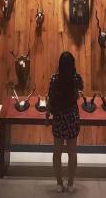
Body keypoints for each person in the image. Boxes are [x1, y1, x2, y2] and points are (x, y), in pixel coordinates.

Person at [45, 51, 84, 193]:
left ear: (60, 64)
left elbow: (50, 98)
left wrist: (47, 114)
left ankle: (59, 183)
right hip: (72, 117)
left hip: (59, 117)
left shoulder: (54, 79)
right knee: (72, 152)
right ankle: (71, 184)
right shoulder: (77, 79)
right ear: (72, 64)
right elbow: (79, 94)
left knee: (57, 152)